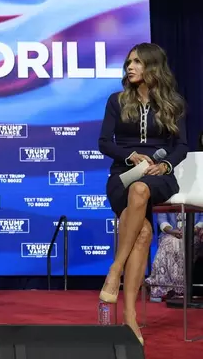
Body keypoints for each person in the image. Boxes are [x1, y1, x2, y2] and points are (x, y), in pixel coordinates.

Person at [98, 42, 189, 345]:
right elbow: (104, 142)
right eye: (128, 62)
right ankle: (129, 319)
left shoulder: (173, 103)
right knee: (143, 233)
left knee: (142, 189)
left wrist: (163, 165)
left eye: (137, 62)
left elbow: (181, 147)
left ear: (153, 66)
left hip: (159, 177)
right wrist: (131, 156)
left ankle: (115, 270)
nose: (130, 67)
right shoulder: (117, 100)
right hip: (123, 175)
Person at [145, 212, 203, 301]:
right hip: (170, 233)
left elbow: (201, 218)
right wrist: (172, 231)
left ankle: (183, 289)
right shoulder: (168, 198)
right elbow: (162, 219)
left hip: (194, 234)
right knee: (168, 243)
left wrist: (192, 230)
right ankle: (159, 288)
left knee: (185, 244)